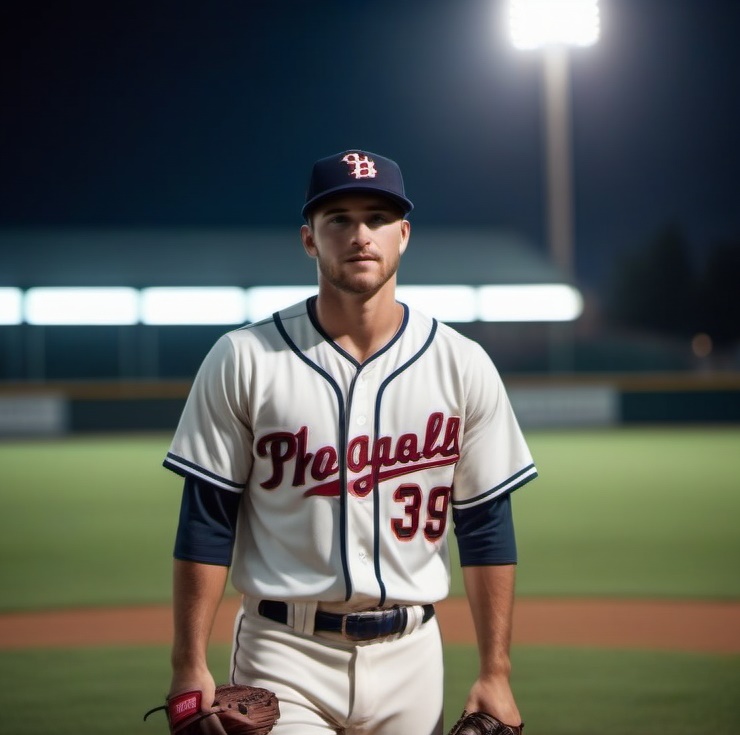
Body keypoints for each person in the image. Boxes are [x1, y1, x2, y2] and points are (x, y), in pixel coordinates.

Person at [161, 149, 538, 734]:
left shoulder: (462, 365)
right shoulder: (244, 358)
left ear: (404, 236)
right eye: (338, 218)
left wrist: (496, 670)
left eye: (378, 218)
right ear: (309, 239)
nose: (360, 234)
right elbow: (207, 518)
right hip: (282, 652)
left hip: (412, 654)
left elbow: (486, 525)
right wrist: (188, 662)